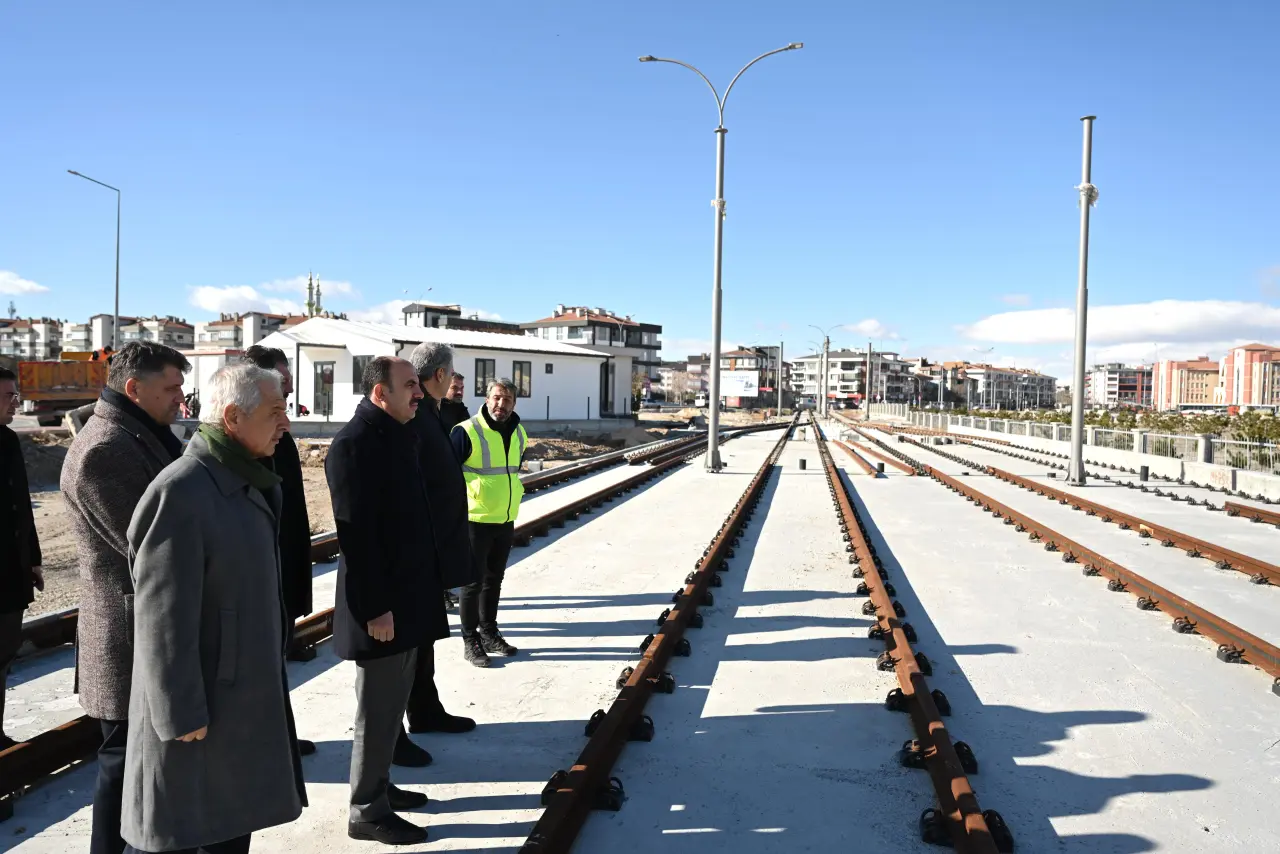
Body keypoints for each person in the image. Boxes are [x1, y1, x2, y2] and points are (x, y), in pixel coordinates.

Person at [123, 363, 305, 854]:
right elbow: (161, 618)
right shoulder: (182, 490)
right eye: (275, 412)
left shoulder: (247, 477)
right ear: (232, 418)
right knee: (185, 831)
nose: (285, 423)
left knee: (228, 826)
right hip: (201, 708)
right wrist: (180, 711)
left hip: (236, 697)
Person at [62, 341, 190, 854]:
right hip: (126, 634)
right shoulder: (104, 450)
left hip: (142, 626)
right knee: (121, 765)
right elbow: (150, 545)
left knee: (137, 764)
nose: (181, 399)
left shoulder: (139, 434)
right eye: (172, 388)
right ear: (134, 389)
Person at [327, 357, 442, 845]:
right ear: (380, 393)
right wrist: (375, 608)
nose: (419, 393)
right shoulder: (354, 445)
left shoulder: (395, 434)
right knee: (376, 713)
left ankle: (380, 787)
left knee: (391, 707)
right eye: (410, 385)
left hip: (406, 600)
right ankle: (366, 810)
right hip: (382, 609)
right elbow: (358, 539)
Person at [393, 344, 477, 767]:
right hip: (418, 549)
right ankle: (394, 733)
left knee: (424, 636)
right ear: (441, 374)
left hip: (431, 549)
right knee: (406, 646)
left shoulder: (431, 413)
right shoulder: (416, 417)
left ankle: (426, 709)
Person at [242, 346, 316, 756]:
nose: (288, 391)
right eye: (282, 383)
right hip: (265, 576)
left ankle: (280, 735)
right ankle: (270, 742)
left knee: (277, 663)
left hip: (285, 568)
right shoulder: (251, 446)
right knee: (262, 666)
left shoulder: (278, 437)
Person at [451, 378, 527, 668]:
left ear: (514, 403)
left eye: (507, 400)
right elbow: (446, 475)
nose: (500, 404)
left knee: (494, 579)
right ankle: (470, 640)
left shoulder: (519, 432)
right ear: (486, 399)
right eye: (496, 398)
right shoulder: (467, 431)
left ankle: (489, 633)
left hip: (504, 518)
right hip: (474, 520)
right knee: (472, 583)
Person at [0, 368, 41, 751]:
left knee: (4, 654)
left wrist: (34, 559)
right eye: (8, 396)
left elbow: (22, 506)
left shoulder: (9, 440)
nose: (16, 402)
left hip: (11, 573)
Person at [438, 373, 468, 609]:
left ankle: (446, 588)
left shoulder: (461, 411)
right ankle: (440, 593)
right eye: (454, 387)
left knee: (450, 542)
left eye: (461, 387)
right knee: (439, 542)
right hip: (439, 485)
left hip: (455, 484)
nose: (459, 391)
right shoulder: (437, 411)